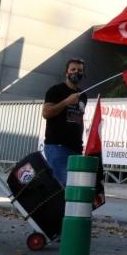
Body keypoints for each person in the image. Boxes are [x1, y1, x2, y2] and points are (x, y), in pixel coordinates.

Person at [42, 58, 88, 187]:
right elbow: (46, 113)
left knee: (74, 185)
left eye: (79, 70)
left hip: (76, 147)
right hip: (57, 146)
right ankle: (57, 208)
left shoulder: (83, 95)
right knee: (63, 184)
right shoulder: (55, 91)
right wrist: (66, 102)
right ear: (66, 73)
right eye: (73, 70)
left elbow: (79, 119)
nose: (76, 73)